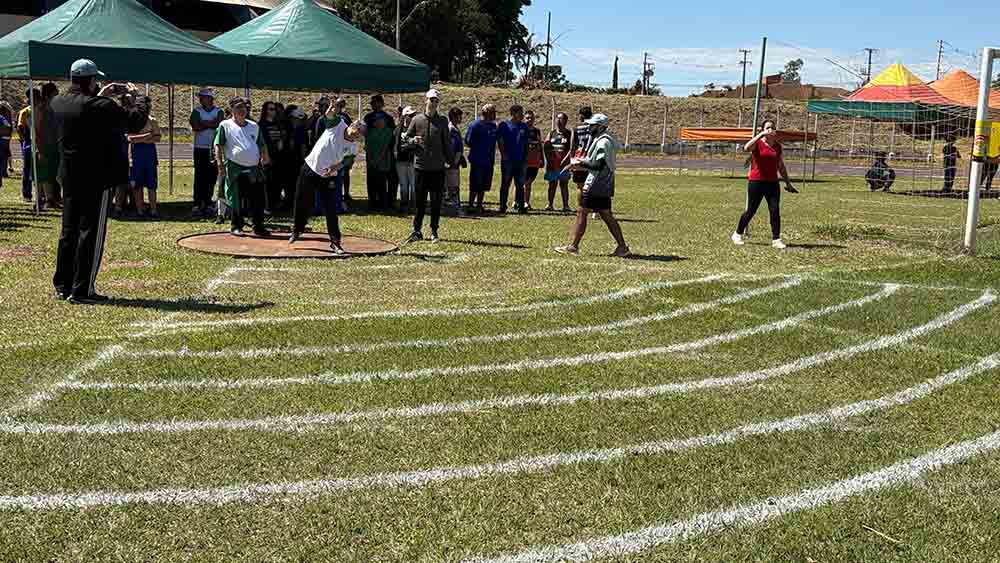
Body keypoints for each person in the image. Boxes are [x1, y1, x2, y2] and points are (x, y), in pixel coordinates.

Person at [51, 59, 149, 304]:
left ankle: (63, 285)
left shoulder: (59, 102)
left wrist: (100, 96)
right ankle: (83, 290)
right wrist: (138, 97)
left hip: (69, 175)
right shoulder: (102, 106)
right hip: (97, 177)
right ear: (92, 80)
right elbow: (135, 121)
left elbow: (85, 110)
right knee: (91, 233)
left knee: (69, 231)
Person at [554, 114, 630, 258]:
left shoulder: (603, 142)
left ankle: (573, 246)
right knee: (606, 214)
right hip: (604, 182)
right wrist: (581, 164)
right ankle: (622, 247)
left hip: (597, 183)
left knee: (582, 211)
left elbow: (599, 165)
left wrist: (579, 164)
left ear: (600, 127)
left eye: (592, 125)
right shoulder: (605, 139)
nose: (589, 127)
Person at [289, 121, 366, 255]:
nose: (355, 137)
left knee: (330, 208)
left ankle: (335, 242)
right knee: (302, 200)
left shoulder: (353, 146)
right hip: (310, 168)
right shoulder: (337, 125)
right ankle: (297, 229)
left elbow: (347, 160)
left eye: (358, 137)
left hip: (329, 175)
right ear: (352, 126)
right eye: (356, 133)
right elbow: (330, 114)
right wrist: (332, 109)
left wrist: (334, 168)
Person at [731, 120, 798, 250]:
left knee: (775, 210)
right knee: (751, 210)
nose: (770, 130)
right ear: (762, 130)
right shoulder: (757, 143)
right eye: (767, 128)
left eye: (772, 128)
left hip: (772, 183)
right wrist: (760, 135)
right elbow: (746, 148)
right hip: (756, 182)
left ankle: (776, 239)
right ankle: (737, 234)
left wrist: (788, 183)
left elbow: (781, 166)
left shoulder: (777, 147)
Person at [214, 97, 271, 238]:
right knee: (237, 199)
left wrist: (265, 156)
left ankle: (258, 226)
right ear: (231, 109)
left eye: (244, 107)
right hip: (235, 168)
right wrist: (220, 163)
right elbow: (218, 145)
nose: (242, 110)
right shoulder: (225, 125)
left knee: (258, 199)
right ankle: (236, 226)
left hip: (254, 168)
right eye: (238, 107)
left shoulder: (254, 126)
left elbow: (261, 143)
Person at [404, 89, 454, 243]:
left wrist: (452, 162)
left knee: (436, 202)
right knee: (419, 202)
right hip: (420, 167)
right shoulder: (416, 119)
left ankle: (434, 231)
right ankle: (417, 231)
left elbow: (447, 143)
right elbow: (406, 139)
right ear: (426, 100)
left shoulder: (443, 121)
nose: (433, 103)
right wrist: (413, 141)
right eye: (431, 100)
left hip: (438, 168)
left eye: (436, 101)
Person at [190, 87, 224, 217]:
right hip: (199, 148)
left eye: (203, 97)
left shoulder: (219, 111)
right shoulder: (196, 111)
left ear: (210, 98)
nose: (201, 99)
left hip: (213, 148)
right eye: (200, 97)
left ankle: (208, 201)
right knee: (199, 176)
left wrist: (203, 123)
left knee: (211, 176)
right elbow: (195, 126)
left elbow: (219, 125)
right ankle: (197, 203)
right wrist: (211, 124)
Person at [127, 95, 161, 218]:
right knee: (137, 185)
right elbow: (129, 138)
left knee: (152, 184)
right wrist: (146, 136)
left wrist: (142, 139)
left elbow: (157, 137)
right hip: (136, 155)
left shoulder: (152, 120)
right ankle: (140, 210)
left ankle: (153, 210)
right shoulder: (133, 119)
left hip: (149, 154)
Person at [465, 103, 497, 213]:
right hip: (477, 160)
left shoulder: (493, 126)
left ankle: (479, 205)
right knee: (475, 183)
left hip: (489, 160)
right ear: (486, 113)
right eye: (493, 112)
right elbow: (468, 141)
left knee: (484, 184)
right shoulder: (475, 125)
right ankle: (470, 205)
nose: (495, 115)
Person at [497, 104, 530, 214]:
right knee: (505, 183)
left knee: (520, 184)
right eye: (520, 113)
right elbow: (500, 141)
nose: (522, 115)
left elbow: (526, 143)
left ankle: (520, 206)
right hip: (508, 160)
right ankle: (502, 206)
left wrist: (526, 157)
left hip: (520, 160)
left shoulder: (524, 126)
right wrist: (504, 155)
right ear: (513, 114)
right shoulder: (504, 125)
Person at [364, 107, 395, 211]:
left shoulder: (388, 131)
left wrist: (378, 160)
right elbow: (367, 146)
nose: (377, 122)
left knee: (381, 183)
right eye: (376, 121)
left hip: (383, 161)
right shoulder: (371, 131)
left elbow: (385, 147)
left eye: (379, 120)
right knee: (372, 182)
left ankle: (383, 203)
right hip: (371, 160)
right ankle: (372, 203)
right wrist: (371, 159)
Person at [258, 101, 286, 214]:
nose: (273, 111)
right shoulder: (261, 125)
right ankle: (266, 207)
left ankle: (275, 205)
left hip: (278, 157)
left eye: (274, 109)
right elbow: (261, 142)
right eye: (270, 109)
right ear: (265, 110)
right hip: (266, 157)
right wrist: (265, 156)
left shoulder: (277, 124)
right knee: (267, 183)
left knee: (277, 182)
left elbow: (280, 138)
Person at [38, 82, 62, 209]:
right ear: (47, 96)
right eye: (55, 94)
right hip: (45, 146)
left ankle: (54, 198)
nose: (57, 96)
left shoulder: (56, 109)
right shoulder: (41, 110)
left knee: (55, 174)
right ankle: (47, 199)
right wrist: (40, 149)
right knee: (45, 174)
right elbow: (38, 130)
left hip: (56, 146)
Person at [544, 112, 573, 212]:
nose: (558, 121)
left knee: (564, 184)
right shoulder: (551, 133)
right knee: (552, 184)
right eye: (557, 118)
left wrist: (566, 160)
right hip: (552, 163)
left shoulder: (569, 134)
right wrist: (549, 160)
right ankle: (550, 204)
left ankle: (566, 206)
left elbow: (572, 148)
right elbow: (546, 147)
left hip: (564, 164)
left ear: (566, 121)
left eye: (561, 119)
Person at [17, 88, 40, 204]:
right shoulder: (25, 112)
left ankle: (41, 194)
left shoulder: (41, 110)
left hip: (40, 142)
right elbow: (20, 127)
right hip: (29, 142)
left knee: (39, 168)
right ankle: (27, 194)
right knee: (27, 168)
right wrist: (24, 140)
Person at [394, 106, 418, 212]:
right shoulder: (398, 129)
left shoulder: (416, 129)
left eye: (413, 115)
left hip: (412, 160)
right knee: (403, 184)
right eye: (410, 115)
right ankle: (404, 204)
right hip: (400, 161)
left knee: (413, 184)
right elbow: (395, 143)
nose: (412, 117)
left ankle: (414, 205)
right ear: (404, 116)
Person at [446, 107, 467, 216]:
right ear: (454, 117)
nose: (461, 118)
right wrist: (453, 162)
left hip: (454, 162)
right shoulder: (451, 130)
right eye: (459, 116)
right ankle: (455, 209)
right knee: (453, 187)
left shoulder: (454, 129)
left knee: (453, 187)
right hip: (452, 163)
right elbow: (453, 148)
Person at [568, 106, 595, 193]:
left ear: (581, 116)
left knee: (580, 186)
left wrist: (571, 161)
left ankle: (581, 202)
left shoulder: (575, 128)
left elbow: (572, 146)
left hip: (579, 159)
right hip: (592, 159)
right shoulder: (595, 128)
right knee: (591, 186)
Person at [333, 97, 355, 201]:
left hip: (345, 149)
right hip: (334, 149)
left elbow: (351, 132)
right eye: (339, 104)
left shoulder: (345, 117)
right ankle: (336, 194)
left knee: (345, 172)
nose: (340, 106)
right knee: (335, 173)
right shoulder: (332, 116)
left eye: (342, 104)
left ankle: (345, 193)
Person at [523, 110, 544, 211]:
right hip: (524, 161)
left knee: (529, 183)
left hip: (534, 162)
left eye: (531, 118)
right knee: (524, 183)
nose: (529, 120)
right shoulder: (521, 130)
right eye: (527, 118)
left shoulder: (537, 131)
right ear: (524, 118)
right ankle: (522, 202)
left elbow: (540, 145)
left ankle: (525, 201)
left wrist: (542, 158)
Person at [0, 103, 11, 185]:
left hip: (3, 139)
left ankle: (3, 172)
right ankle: (3, 172)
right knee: (4, 156)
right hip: (4, 138)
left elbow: (7, 126)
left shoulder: (1, 117)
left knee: (3, 156)